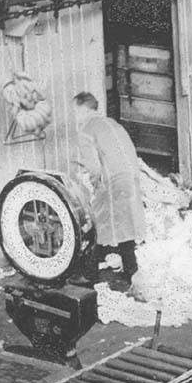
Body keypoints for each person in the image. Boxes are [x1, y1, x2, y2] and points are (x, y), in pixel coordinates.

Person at [69, 92, 146, 287]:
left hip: (113, 180)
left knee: (99, 223)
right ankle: (131, 271)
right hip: (131, 177)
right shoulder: (112, 123)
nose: (75, 116)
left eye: (75, 111)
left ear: (83, 110)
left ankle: (89, 274)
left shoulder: (86, 130)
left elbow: (94, 167)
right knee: (124, 223)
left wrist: (95, 187)